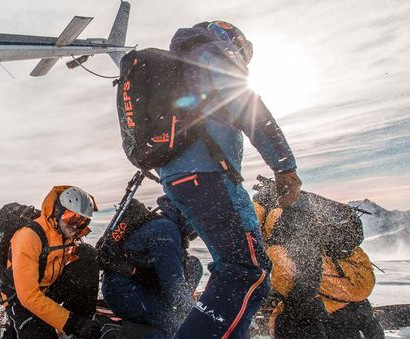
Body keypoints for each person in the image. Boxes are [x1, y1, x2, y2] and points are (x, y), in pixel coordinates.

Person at [155, 21, 303, 338]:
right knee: (247, 272)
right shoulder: (210, 48)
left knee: (238, 270)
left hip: (181, 177)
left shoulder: (178, 67)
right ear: (233, 38)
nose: (242, 62)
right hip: (209, 175)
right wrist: (284, 165)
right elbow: (246, 104)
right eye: (244, 55)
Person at [252, 178, 384, 339]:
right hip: (353, 285)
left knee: (295, 314)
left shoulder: (276, 232)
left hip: (347, 290)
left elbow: (297, 277)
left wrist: (292, 307)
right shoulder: (277, 218)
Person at [1, 186, 102, 339]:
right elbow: (28, 296)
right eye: (71, 217)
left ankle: (83, 321)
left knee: (89, 256)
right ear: (58, 212)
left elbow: (65, 261)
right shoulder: (29, 236)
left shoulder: (65, 234)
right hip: (21, 298)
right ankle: (13, 328)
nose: (76, 225)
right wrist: (71, 323)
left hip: (47, 288)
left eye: (83, 221)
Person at [102, 196, 203, 338]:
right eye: (200, 224)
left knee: (194, 265)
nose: (199, 232)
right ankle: (114, 332)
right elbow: (173, 286)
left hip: (143, 283)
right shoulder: (166, 230)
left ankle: (168, 311)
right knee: (178, 328)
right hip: (123, 291)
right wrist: (199, 317)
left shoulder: (165, 225)